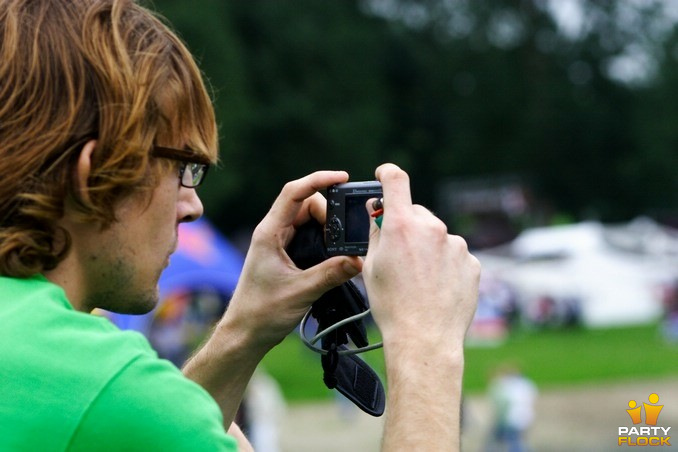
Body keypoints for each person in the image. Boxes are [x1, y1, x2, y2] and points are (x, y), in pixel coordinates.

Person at [0, 0, 480, 450]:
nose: (193, 206)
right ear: (92, 174)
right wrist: (426, 344)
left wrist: (246, 327)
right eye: (182, 168)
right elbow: (138, 419)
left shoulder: (52, 376)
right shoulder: (104, 385)